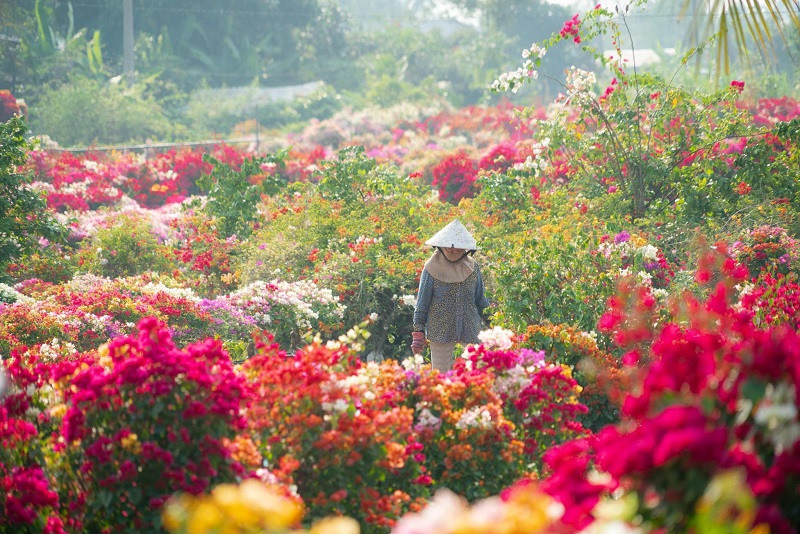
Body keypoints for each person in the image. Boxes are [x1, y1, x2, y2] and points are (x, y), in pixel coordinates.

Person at [411, 219, 490, 372]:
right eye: (449, 246)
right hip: (440, 329)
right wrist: (418, 332)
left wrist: (492, 324)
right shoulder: (431, 269)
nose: (453, 250)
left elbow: (481, 300)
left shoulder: (473, 268)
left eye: (457, 247)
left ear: (466, 249)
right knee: (440, 375)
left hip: (471, 327)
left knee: (477, 372)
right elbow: (422, 305)